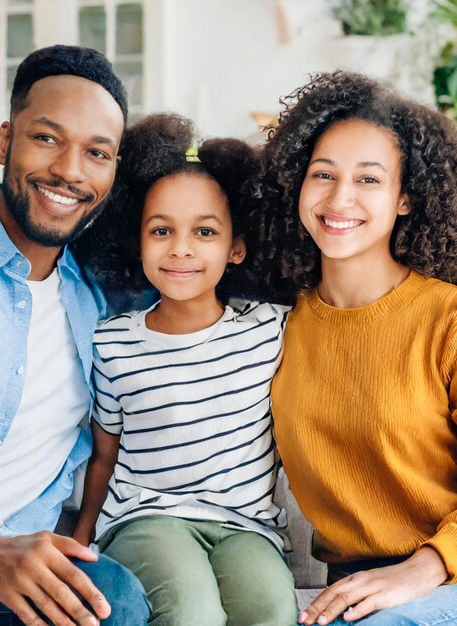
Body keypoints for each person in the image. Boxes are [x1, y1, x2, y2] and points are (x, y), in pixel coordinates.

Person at [71, 113, 298, 626]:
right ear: (137, 241)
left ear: (236, 247)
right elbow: (104, 457)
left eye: (205, 231)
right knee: (191, 612)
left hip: (248, 528)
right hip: (147, 517)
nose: (181, 248)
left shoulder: (272, 330)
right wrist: (80, 538)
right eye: (161, 230)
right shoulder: (113, 341)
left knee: (272, 610)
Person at [254, 70, 457, 625]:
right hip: (350, 593)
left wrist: (426, 567)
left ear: (406, 199)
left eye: (369, 179)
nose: (339, 198)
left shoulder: (448, 318)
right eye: (323, 174)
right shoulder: (274, 326)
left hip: (442, 579)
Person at [0, 45, 150, 626]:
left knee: (113, 599)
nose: (71, 170)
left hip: (24, 569)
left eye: (96, 152)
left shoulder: (98, 292)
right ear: (4, 143)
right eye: (47, 138)